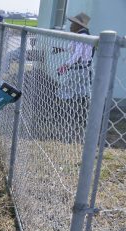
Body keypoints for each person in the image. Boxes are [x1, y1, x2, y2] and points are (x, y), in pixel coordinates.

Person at [54, 12, 93, 141]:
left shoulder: (82, 36)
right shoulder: (82, 35)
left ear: (78, 25)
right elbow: (72, 48)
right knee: (82, 94)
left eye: (72, 23)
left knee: (64, 91)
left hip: (79, 70)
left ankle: (60, 116)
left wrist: (65, 66)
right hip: (84, 70)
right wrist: (61, 49)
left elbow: (77, 54)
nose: (70, 26)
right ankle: (81, 118)